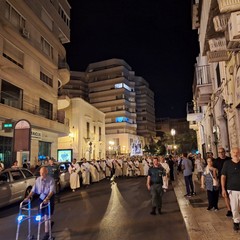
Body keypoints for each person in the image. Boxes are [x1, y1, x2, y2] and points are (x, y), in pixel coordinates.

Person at [25, 167, 55, 240]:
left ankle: (47, 233)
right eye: (41, 173)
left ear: (46, 172)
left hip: (49, 198)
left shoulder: (51, 180)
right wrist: (28, 197)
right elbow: (33, 190)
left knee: (46, 216)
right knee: (40, 216)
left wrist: (47, 198)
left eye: (43, 173)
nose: (42, 174)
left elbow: (51, 191)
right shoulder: (38, 180)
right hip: (41, 198)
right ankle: (48, 223)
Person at [221, 147, 240, 231]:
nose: (235, 154)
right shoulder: (227, 163)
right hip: (232, 189)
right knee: (234, 207)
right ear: (231, 154)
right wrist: (223, 189)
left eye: (237, 152)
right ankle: (236, 222)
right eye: (234, 152)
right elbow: (223, 176)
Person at [213, 147, 232, 217]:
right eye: (220, 152)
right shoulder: (216, 161)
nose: (221, 153)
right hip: (221, 180)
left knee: (231, 195)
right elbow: (214, 170)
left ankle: (234, 208)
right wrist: (215, 179)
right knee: (225, 195)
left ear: (225, 152)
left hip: (230, 179)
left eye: (222, 152)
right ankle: (229, 209)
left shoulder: (229, 159)